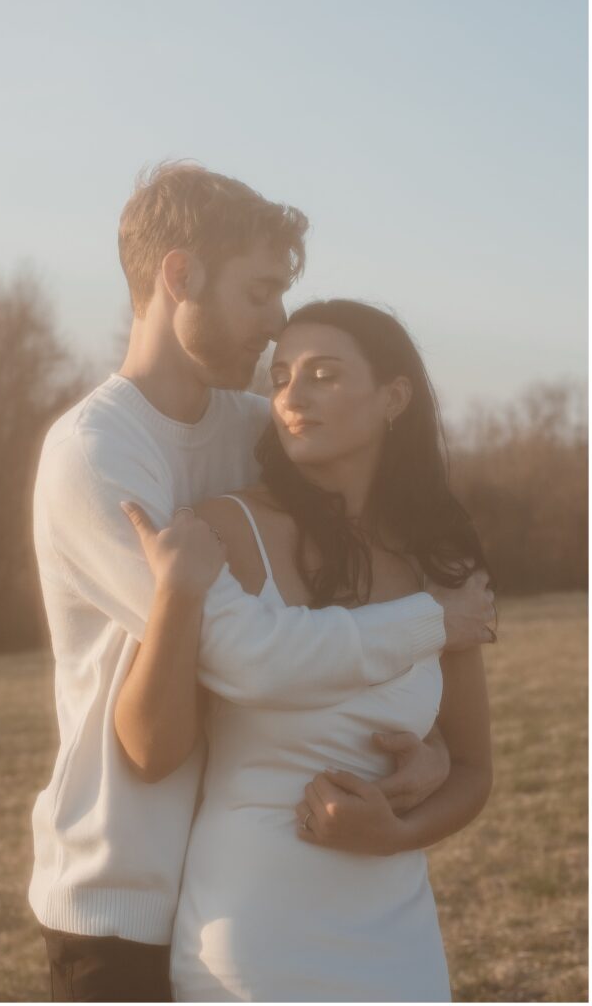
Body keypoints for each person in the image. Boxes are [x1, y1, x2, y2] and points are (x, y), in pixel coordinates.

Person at [29, 163, 496, 1002]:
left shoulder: (256, 429)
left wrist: (423, 750)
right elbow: (246, 657)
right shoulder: (95, 454)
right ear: (180, 275)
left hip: (249, 866)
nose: (276, 326)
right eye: (260, 292)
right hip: (125, 891)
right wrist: (434, 624)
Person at [119, 299, 493, 1002]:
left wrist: (392, 833)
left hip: (398, 941)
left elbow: (473, 771)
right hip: (254, 942)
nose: (291, 396)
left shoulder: (438, 563)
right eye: (281, 376)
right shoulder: (223, 528)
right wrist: (174, 594)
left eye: (322, 374)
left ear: (393, 397)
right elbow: (147, 749)